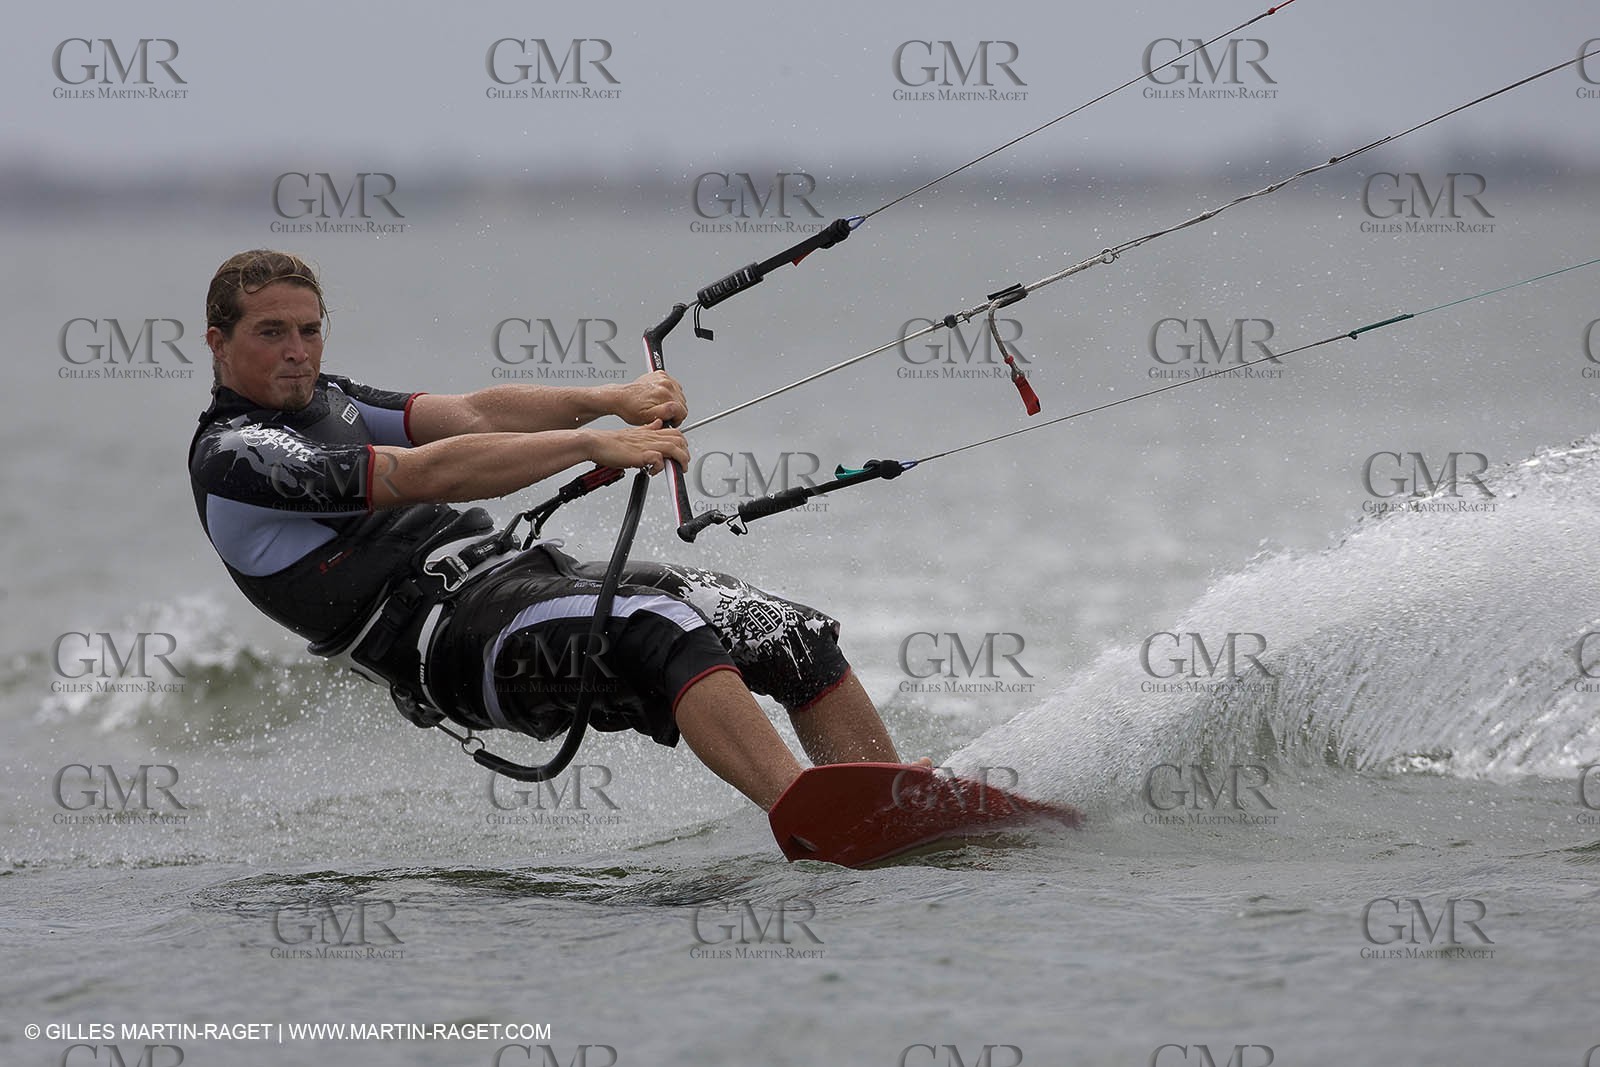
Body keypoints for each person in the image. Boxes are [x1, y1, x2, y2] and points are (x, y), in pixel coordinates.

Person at [188, 249, 911, 813]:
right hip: (455, 648)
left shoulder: (330, 397)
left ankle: (897, 801)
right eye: (272, 332)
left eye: (309, 330)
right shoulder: (235, 455)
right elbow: (418, 475)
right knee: (659, 629)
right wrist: (591, 444)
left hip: (515, 577)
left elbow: (471, 415)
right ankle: (815, 820)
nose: (298, 351)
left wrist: (610, 400)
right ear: (219, 342)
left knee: (779, 629)